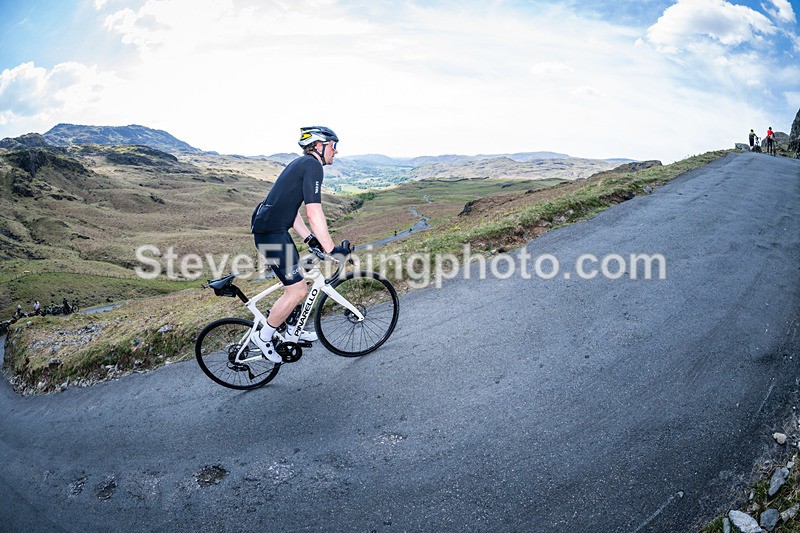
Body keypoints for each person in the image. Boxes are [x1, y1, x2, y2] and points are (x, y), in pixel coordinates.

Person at [250, 126, 349, 363]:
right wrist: (331, 249)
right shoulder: (313, 166)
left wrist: (309, 238)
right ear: (319, 146)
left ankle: (292, 328)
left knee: (300, 278)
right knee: (297, 290)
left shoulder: (301, 164)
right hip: (271, 234)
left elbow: (291, 210)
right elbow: (314, 212)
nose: (336, 151)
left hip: (274, 231)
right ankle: (263, 337)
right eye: (333, 146)